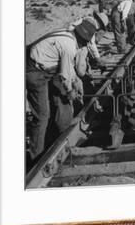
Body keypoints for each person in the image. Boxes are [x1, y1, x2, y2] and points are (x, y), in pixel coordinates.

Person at [25, 19, 97, 160]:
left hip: (43, 68)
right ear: (83, 40)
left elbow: (69, 70)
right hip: (33, 71)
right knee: (42, 115)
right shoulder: (69, 47)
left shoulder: (68, 35)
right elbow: (64, 75)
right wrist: (71, 91)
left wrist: (77, 82)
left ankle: (50, 140)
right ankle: (37, 157)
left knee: (52, 106)